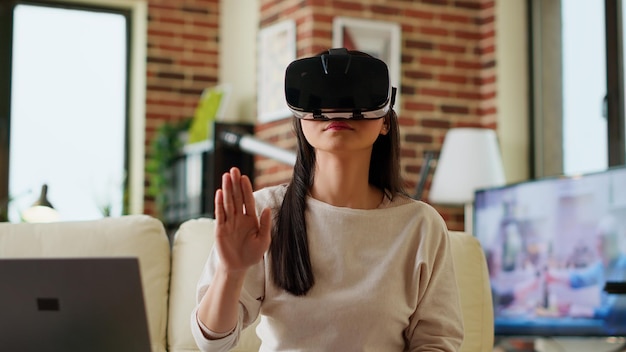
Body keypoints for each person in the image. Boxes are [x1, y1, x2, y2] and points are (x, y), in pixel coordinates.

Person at [190, 48, 464, 351]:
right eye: (322, 101)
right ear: (301, 121)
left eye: (353, 98)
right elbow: (212, 343)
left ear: (385, 121)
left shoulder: (421, 226)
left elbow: (436, 342)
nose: (336, 112)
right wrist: (231, 271)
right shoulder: (264, 214)